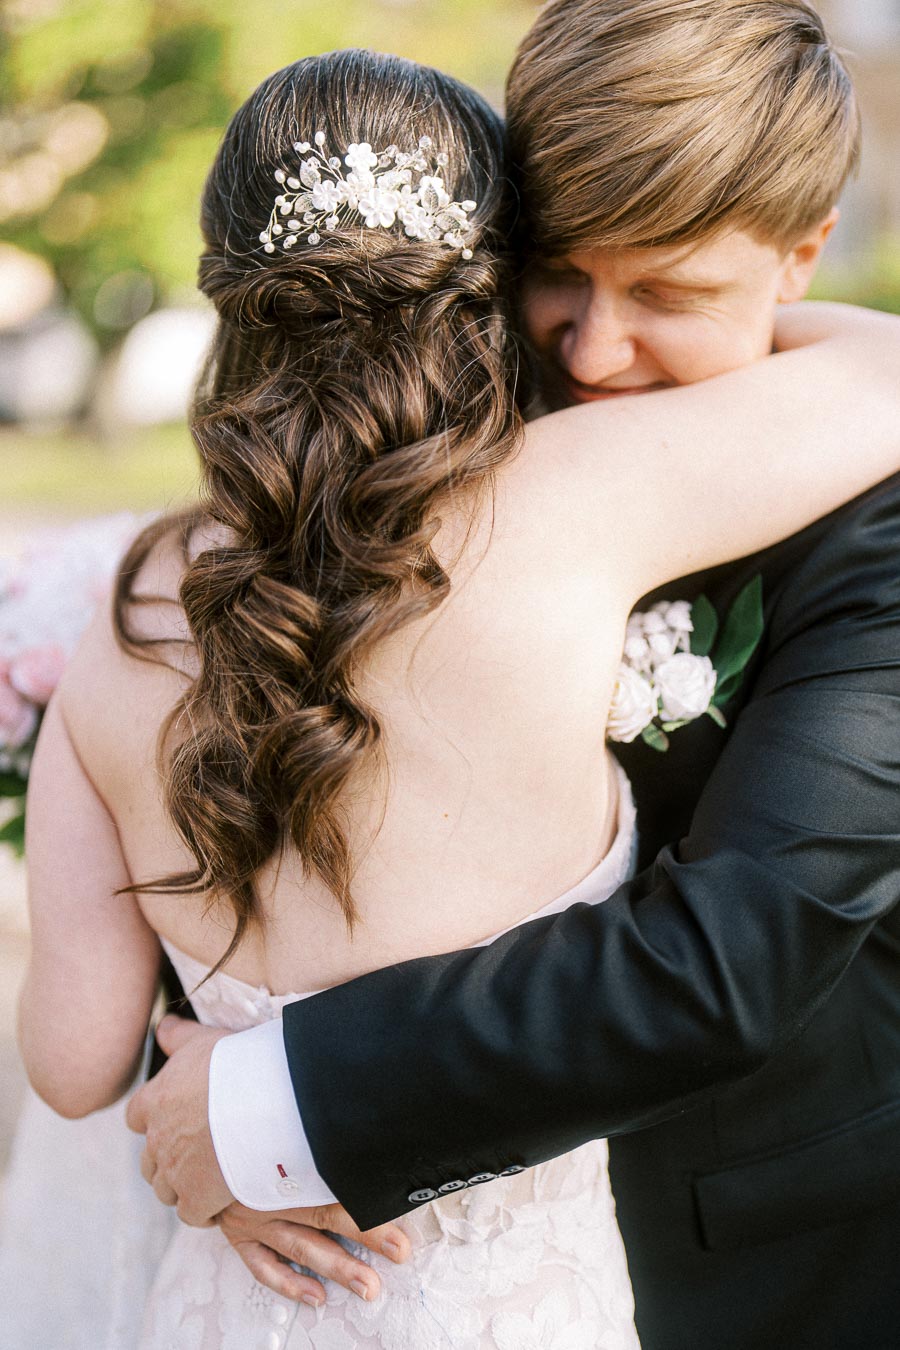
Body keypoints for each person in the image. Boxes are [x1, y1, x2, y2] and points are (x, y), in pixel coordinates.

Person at [17, 34, 900, 1350]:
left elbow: (724, 963)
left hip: (752, 1244)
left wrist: (264, 1097)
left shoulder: (139, 610)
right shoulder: (518, 487)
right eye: (560, 277)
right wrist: (213, 1102)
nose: (595, 354)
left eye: (670, 287)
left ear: (802, 251)